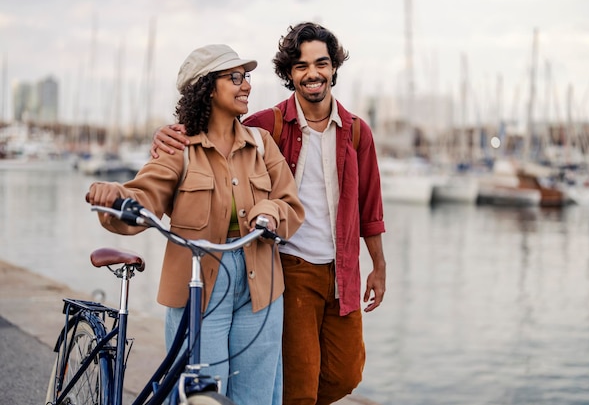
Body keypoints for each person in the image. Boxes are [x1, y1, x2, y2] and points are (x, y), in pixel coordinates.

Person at [151, 23, 387, 405]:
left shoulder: (357, 132)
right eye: (301, 66)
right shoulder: (267, 125)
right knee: (296, 386)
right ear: (289, 74)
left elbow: (369, 206)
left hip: (341, 271)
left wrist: (377, 264)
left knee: (346, 374)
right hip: (289, 267)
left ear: (333, 68)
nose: (313, 73)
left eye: (321, 63)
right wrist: (167, 134)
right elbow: (214, 134)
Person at [86, 44, 305, 405]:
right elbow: (145, 194)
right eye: (234, 78)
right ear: (206, 87)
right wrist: (115, 197)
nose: (246, 85)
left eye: (245, 76)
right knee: (201, 393)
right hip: (199, 289)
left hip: (262, 285)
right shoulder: (179, 148)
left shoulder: (261, 143)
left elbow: (290, 203)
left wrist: (269, 211)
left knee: (257, 396)